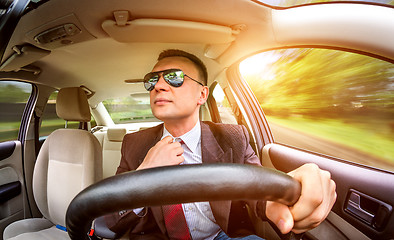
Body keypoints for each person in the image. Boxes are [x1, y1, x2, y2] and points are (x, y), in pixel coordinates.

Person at [105, 49, 337, 239]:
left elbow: (256, 183)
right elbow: (112, 220)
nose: (159, 86)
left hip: (221, 236)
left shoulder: (233, 137)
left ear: (202, 95)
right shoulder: (134, 143)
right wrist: (144, 175)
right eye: (152, 80)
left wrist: (280, 198)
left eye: (174, 77)